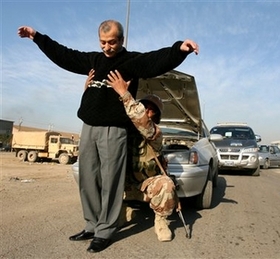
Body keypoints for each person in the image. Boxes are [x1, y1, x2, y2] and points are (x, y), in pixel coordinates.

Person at [18, 20, 199, 253]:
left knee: (111, 181)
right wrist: (37, 37)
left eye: (112, 42)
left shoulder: (130, 62)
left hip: (114, 129)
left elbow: (155, 60)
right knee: (88, 179)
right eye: (103, 42)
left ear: (121, 40)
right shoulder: (94, 60)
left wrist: (179, 49)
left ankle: (105, 230)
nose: (107, 47)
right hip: (89, 126)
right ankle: (91, 225)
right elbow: (65, 55)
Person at [87, 69, 177, 241]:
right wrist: (89, 91)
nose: (146, 112)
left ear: (156, 116)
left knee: (167, 184)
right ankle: (122, 212)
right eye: (144, 107)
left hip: (146, 185)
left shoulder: (155, 132)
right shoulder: (122, 128)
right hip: (123, 185)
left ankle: (161, 221)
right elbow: (102, 112)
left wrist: (124, 93)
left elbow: (142, 122)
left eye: (151, 111)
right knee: (95, 175)